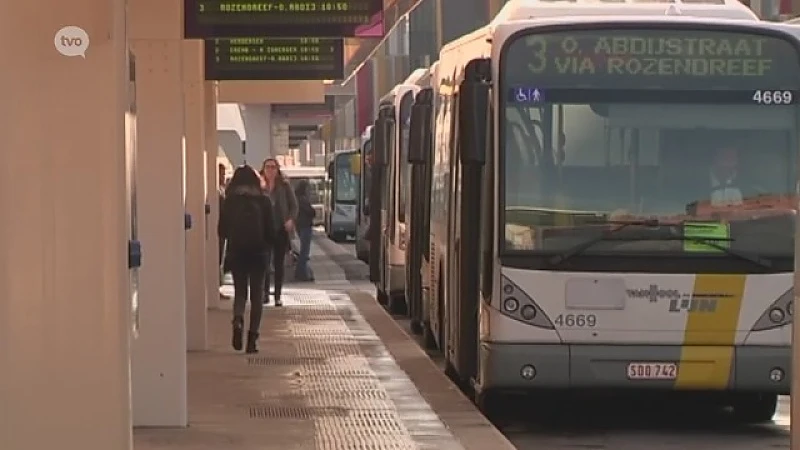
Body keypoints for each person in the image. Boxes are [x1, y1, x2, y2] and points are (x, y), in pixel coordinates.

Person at [218, 166, 276, 353]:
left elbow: (222, 231)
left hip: (237, 252)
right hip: (259, 254)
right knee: (257, 296)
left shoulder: (230, 202)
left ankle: (237, 319)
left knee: (240, 292)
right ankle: (252, 340)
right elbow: (271, 231)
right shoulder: (264, 201)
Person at [260, 158, 298, 307]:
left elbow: (294, 206)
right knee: (264, 263)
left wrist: (290, 220)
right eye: (268, 167)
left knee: (278, 263)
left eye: (273, 167)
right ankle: (264, 294)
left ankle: (277, 295)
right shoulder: (259, 186)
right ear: (263, 169)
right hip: (264, 229)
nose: (270, 170)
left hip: (281, 229)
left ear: (277, 170)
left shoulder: (284, 186)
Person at [293, 179, 316, 282]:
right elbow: (311, 212)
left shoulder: (297, 199)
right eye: (308, 188)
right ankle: (301, 273)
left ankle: (302, 272)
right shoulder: (302, 200)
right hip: (305, 226)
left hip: (300, 226)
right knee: (304, 251)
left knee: (304, 251)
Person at [218, 163, 231, 300]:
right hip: (219, 229)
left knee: (220, 259)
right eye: (221, 174)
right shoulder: (216, 190)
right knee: (217, 259)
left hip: (223, 231)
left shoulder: (222, 190)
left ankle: (218, 286)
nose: (223, 176)